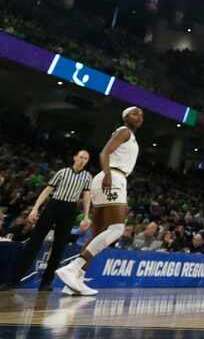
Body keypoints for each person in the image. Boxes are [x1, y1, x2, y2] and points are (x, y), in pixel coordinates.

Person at [55, 107, 144, 296]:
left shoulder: (130, 136)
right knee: (117, 229)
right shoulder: (124, 131)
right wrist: (109, 175)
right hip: (113, 176)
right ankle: (73, 268)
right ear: (125, 117)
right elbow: (104, 153)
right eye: (135, 113)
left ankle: (74, 279)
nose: (139, 117)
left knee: (97, 234)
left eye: (141, 115)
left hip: (109, 177)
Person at [1, 150, 92, 291]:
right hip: (54, 205)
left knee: (59, 247)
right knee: (34, 243)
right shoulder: (62, 172)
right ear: (75, 157)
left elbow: (86, 196)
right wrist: (35, 208)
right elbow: (47, 190)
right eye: (81, 157)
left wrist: (86, 216)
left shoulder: (87, 177)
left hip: (69, 210)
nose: (82, 160)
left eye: (85, 158)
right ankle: (13, 281)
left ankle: (46, 283)